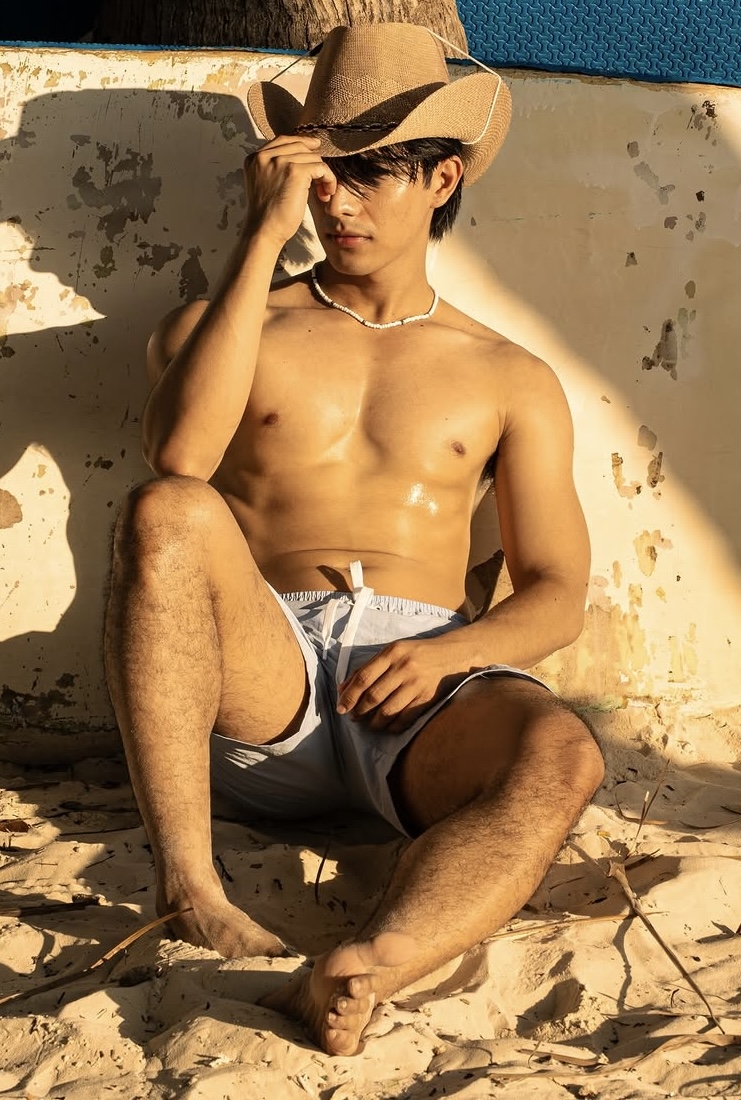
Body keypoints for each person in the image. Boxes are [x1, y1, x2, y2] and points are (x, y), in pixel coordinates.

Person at [104, 22, 604, 1057]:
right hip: (264, 672)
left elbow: (557, 589)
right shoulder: (229, 327)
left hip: (421, 686)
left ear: (441, 177)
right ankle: (191, 890)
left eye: (370, 174)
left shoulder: (509, 376)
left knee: (563, 755)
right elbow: (182, 459)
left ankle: (372, 963)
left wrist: (453, 653)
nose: (337, 202)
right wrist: (261, 237)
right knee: (165, 512)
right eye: (321, 174)